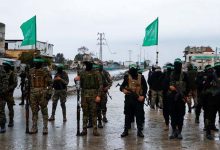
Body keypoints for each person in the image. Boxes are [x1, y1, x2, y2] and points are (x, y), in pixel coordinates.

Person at [74, 54, 103, 136]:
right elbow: (78, 85)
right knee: (85, 113)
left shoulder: (96, 73)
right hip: (84, 95)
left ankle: (95, 130)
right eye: (86, 63)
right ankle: (84, 129)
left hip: (94, 94)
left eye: (89, 63)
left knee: (94, 113)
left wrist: (98, 96)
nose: (87, 65)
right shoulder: (82, 73)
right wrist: (76, 80)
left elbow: (100, 85)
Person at [120, 64, 147, 138]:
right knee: (127, 115)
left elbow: (145, 88)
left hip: (138, 100)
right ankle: (126, 130)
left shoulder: (141, 77)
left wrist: (143, 96)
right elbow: (121, 86)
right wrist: (123, 90)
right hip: (129, 99)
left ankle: (139, 131)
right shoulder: (126, 77)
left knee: (139, 115)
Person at [29, 58, 52, 134]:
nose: (36, 64)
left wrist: (49, 93)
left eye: (37, 63)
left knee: (44, 110)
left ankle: (45, 127)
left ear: (41, 64)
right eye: (35, 63)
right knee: (34, 111)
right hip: (33, 93)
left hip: (43, 93)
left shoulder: (46, 72)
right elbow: (28, 82)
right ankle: (34, 126)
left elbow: (50, 84)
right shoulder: (31, 71)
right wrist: (27, 92)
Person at [168, 58, 189, 140]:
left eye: (178, 64)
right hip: (172, 98)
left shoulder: (184, 74)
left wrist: (186, 96)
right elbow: (165, 83)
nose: (177, 66)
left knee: (180, 116)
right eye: (176, 64)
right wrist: (169, 87)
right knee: (173, 116)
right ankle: (173, 131)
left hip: (181, 98)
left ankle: (179, 131)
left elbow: (188, 86)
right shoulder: (170, 74)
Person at [96, 62, 112, 128]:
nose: (100, 67)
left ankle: (104, 116)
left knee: (104, 105)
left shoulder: (105, 73)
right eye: (99, 66)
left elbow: (110, 82)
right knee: (97, 107)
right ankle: (99, 121)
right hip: (96, 92)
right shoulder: (95, 73)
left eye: (101, 66)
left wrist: (107, 87)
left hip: (103, 92)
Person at [3, 61, 17, 127]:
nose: (3, 67)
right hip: (2, 93)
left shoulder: (12, 74)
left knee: (10, 108)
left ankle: (11, 121)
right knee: (1, 108)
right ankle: (3, 120)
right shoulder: (2, 73)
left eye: (5, 66)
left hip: (9, 93)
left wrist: (9, 89)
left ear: (8, 66)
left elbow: (15, 83)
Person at [162, 63, 173, 131]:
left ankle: (171, 125)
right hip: (166, 96)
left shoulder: (175, 75)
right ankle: (167, 124)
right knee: (166, 111)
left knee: (172, 111)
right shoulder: (164, 75)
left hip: (172, 96)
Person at [0, 64, 9, 133]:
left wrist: (2, 92)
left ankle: (2, 126)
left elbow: (5, 83)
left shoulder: (2, 71)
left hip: (1, 95)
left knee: (1, 110)